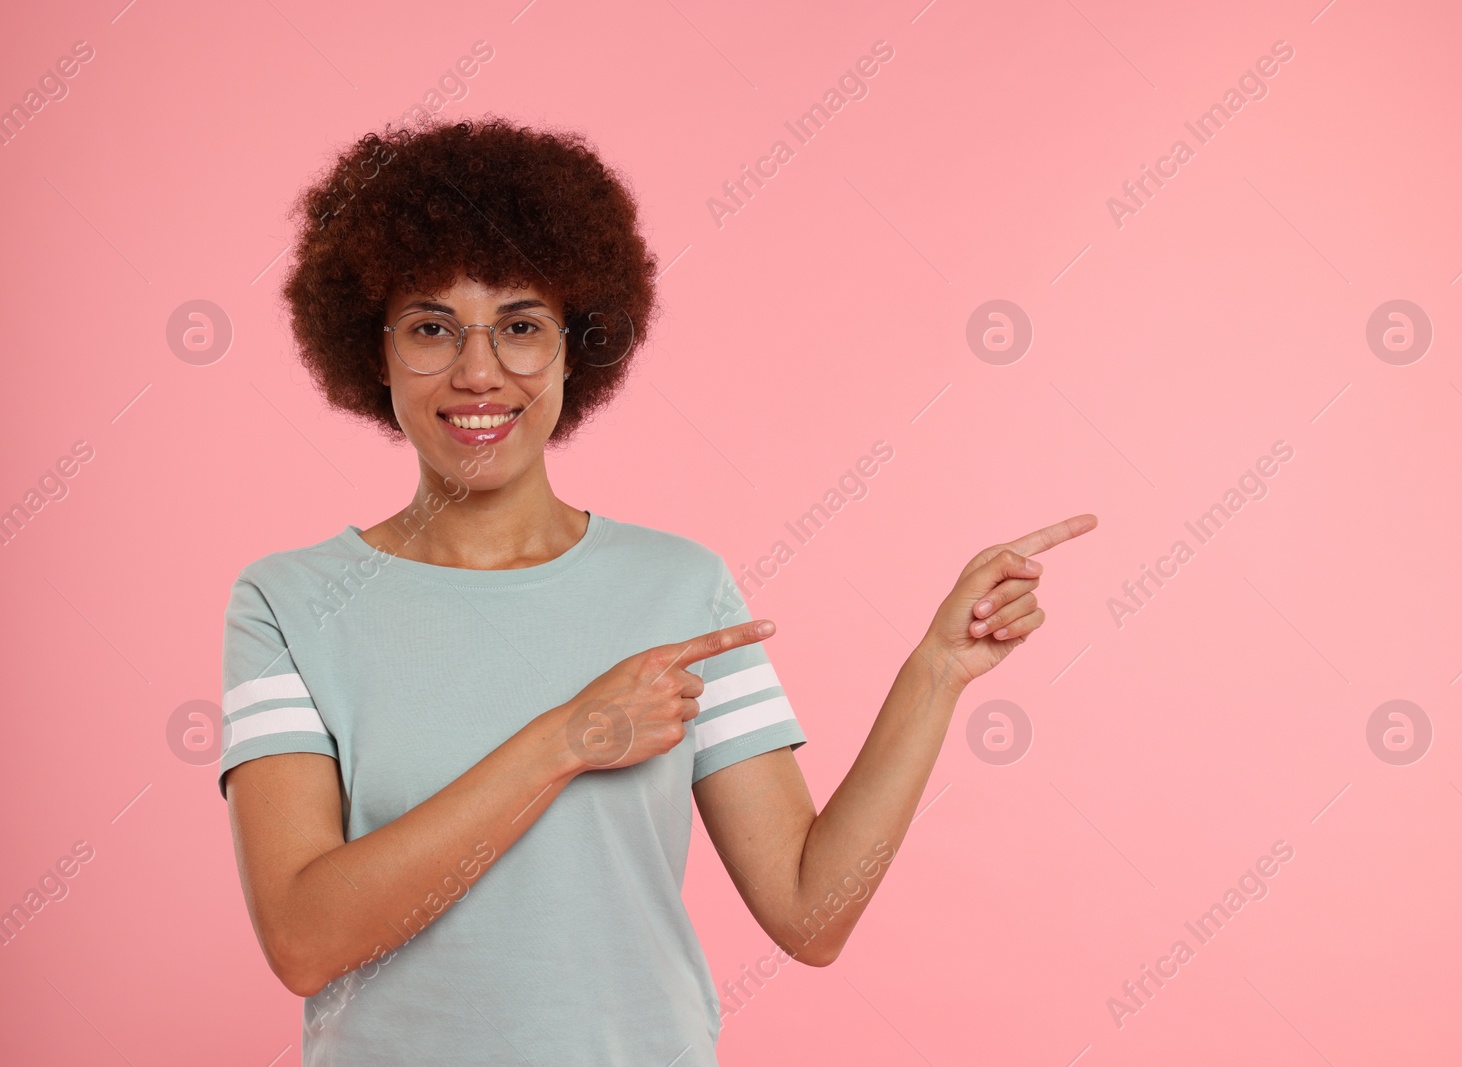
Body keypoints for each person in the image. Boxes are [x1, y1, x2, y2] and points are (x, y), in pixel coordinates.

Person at [220, 114, 1097, 1066]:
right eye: (433, 327)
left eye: (520, 327)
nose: (478, 372)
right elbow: (305, 940)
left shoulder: (680, 589)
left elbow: (812, 914)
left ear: (574, 345)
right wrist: (573, 735)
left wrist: (935, 674)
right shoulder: (290, 603)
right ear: (373, 347)